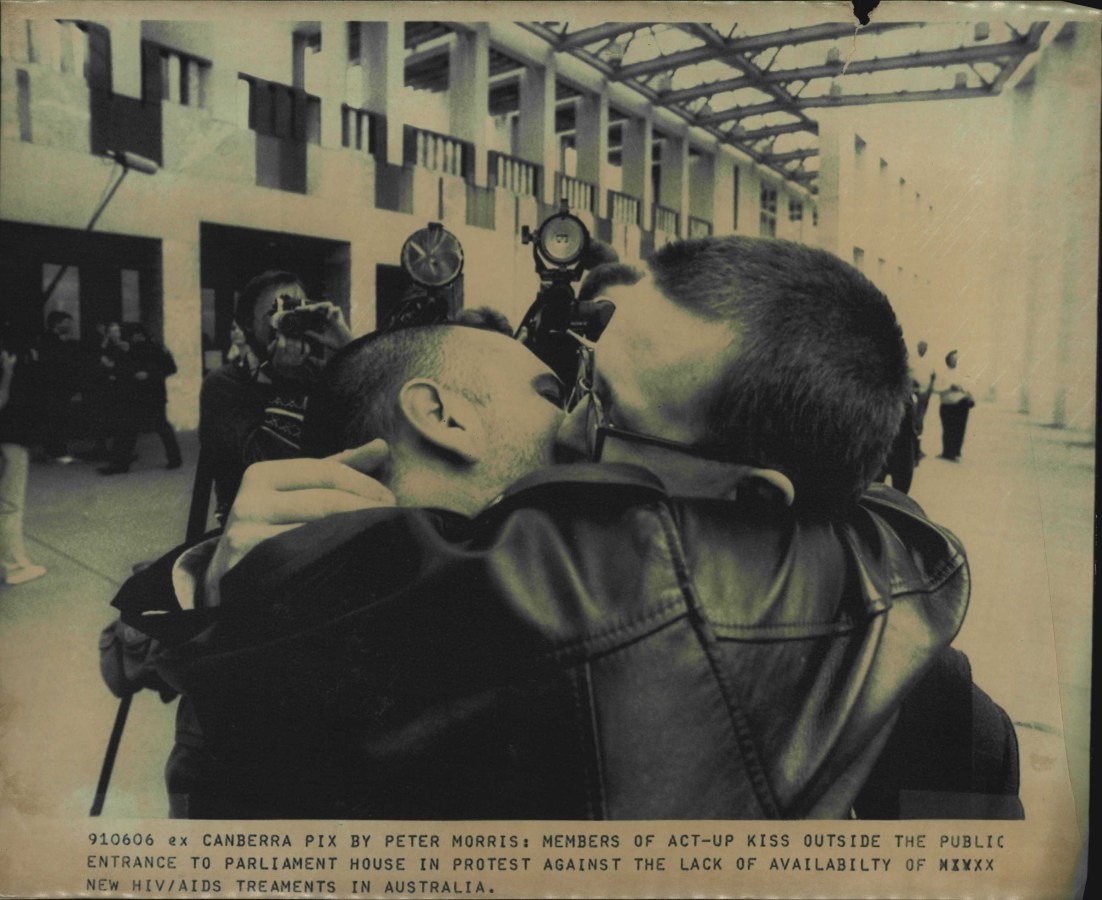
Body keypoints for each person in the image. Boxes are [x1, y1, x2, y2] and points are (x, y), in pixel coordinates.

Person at [110, 237, 1021, 820]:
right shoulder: (901, 615)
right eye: (573, 378)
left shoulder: (937, 713)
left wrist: (221, 608)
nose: (572, 427)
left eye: (598, 401)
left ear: (749, 499)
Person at [198, 271, 353, 523]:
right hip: (254, 521)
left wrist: (348, 346)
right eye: (277, 313)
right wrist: (287, 381)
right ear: (248, 323)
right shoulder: (225, 383)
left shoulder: (316, 371)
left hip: (322, 514)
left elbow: (373, 416)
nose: (291, 322)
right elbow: (266, 475)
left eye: (298, 311)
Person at [99, 324, 182, 475]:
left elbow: (171, 368)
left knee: (149, 427)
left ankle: (121, 464)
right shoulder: (134, 348)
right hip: (138, 396)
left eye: (129, 336)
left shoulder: (155, 348)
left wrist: (149, 374)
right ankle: (121, 463)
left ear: (138, 335)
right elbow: (124, 368)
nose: (126, 339)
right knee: (133, 428)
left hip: (151, 395)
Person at [1, 339, 47, 585]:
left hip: (9, 440)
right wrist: (8, 371)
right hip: (9, 441)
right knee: (9, 505)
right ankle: (14, 566)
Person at [34, 311, 82, 464]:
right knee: (57, 419)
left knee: (56, 418)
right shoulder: (49, 340)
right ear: (57, 323)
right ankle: (58, 452)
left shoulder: (54, 339)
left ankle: (53, 451)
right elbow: (55, 363)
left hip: (57, 386)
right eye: (66, 322)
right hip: (54, 386)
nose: (69, 325)